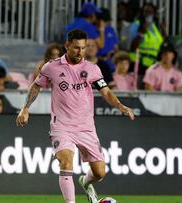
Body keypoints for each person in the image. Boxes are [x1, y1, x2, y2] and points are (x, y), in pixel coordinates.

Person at [16, 29, 134, 203]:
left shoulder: (92, 69)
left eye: (83, 48)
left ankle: (85, 183)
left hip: (86, 127)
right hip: (62, 125)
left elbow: (106, 92)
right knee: (66, 163)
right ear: (67, 46)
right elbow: (35, 86)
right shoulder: (52, 67)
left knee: (100, 173)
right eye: (76, 48)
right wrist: (25, 108)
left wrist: (120, 106)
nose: (80, 52)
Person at [129, 3, 166, 76]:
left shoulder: (154, 26)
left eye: (150, 12)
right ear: (142, 13)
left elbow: (159, 43)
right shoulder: (136, 24)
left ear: (154, 14)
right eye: (146, 11)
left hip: (152, 64)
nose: (148, 14)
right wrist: (142, 32)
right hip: (138, 63)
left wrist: (164, 32)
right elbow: (132, 47)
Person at [96, 8, 119, 72]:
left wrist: (114, 54)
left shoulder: (110, 29)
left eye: (107, 21)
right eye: (104, 21)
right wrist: (101, 30)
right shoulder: (93, 30)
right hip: (97, 64)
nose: (106, 23)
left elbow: (116, 47)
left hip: (111, 65)